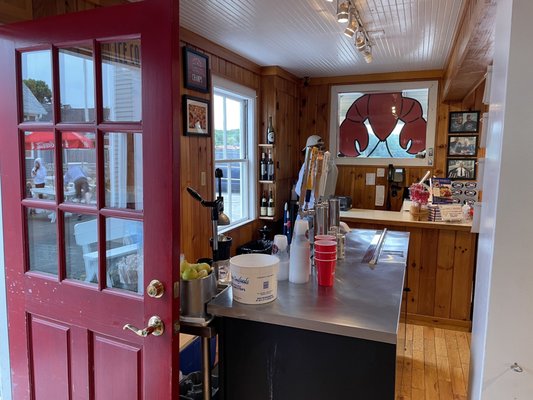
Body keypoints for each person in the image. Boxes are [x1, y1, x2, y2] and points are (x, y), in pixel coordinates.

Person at [295, 135, 337, 209]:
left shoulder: (308, 165)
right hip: (326, 209)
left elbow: (299, 190)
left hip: (309, 209)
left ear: (310, 149)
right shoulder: (333, 166)